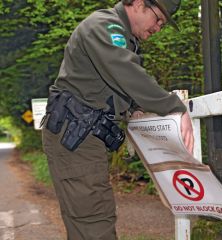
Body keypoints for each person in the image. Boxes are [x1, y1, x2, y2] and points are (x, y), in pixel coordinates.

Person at [41, 0, 194, 239]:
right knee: (94, 221)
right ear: (141, 4)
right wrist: (176, 107)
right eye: (158, 19)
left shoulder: (121, 36)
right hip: (76, 135)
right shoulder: (104, 26)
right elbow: (125, 71)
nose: (158, 29)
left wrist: (132, 108)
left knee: (86, 220)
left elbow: (107, 84)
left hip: (81, 135)